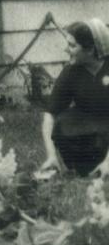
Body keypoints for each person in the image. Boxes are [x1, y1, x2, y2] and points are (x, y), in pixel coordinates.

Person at [40, 19, 109, 177]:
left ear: (91, 49)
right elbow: (50, 114)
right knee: (63, 121)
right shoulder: (71, 71)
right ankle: (86, 166)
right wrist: (51, 156)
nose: (66, 50)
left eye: (72, 45)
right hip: (93, 128)